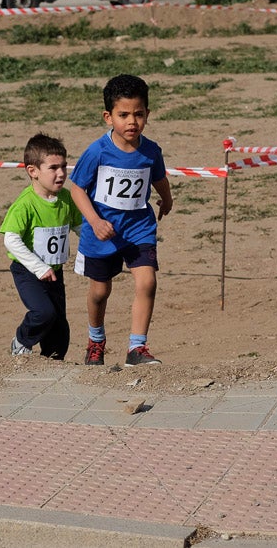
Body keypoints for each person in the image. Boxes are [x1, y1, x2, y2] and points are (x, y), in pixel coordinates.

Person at [68, 74, 174, 367]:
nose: (132, 122)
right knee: (100, 291)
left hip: (139, 228)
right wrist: (94, 221)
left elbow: (159, 178)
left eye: (138, 114)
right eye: (123, 115)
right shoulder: (97, 152)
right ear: (108, 117)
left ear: (147, 114)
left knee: (147, 281)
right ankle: (95, 340)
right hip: (102, 232)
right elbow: (77, 189)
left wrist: (166, 199)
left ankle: (136, 348)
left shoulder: (151, 151)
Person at [0, 133, 82, 360]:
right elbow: (11, 240)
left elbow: (80, 227)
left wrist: (100, 240)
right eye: (53, 168)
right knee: (43, 313)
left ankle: (52, 361)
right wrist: (38, 267)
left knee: (60, 325)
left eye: (63, 166)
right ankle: (21, 341)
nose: (61, 173)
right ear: (33, 171)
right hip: (28, 271)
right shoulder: (25, 204)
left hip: (55, 272)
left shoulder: (66, 198)